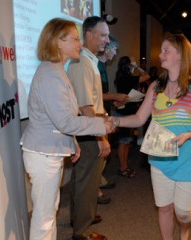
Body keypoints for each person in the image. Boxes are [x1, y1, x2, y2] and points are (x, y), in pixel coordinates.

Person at [112, 34, 191, 240]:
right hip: (160, 159)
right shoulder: (155, 87)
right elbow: (138, 118)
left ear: (180, 55)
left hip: (189, 160)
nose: (160, 55)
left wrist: (190, 134)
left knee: (183, 213)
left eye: (166, 50)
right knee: (164, 208)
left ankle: (185, 229)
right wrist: (114, 121)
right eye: (161, 50)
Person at [20, 18, 113, 240]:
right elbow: (65, 121)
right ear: (58, 42)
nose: (79, 44)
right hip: (43, 154)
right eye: (74, 39)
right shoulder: (51, 75)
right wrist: (102, 124)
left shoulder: (56, 71)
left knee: (48, 213)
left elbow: (63, 118)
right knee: (44, 218)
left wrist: (71, 143)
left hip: (49, 151)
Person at [67, 16, 110, 240]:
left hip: (87, 129)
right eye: (102, 35)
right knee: (87, 182)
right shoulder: (82, 62)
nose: (107, 39)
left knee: (81, 179)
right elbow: (85, 106)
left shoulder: (89, 60)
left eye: (107, 35)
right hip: (88, 131)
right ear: (89, 35)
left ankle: (80, 218)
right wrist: (100, 138)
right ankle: (82, 231)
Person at [96, 36, 128, 204]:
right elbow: (92, 96)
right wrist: (114, 96)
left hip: (103, 113)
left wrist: (112, 100)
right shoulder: (94, 64)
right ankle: (95, 191)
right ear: (106, 48)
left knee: (102, 154)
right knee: (99, 154)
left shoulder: (100, 65)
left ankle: (99, 182)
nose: (115, 53)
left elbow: (101, 95)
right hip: (96, 117)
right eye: (114, 49)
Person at [114, 56, 150, 178]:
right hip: (126, 112)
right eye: (132, 63)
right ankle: (123, 168)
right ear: (129, 65)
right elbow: (146, 76)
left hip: (124, 111)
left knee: (126, 142)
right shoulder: (128, 78)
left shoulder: (120, 76)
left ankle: (124, 166)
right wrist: (138, 67)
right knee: (124, 142)